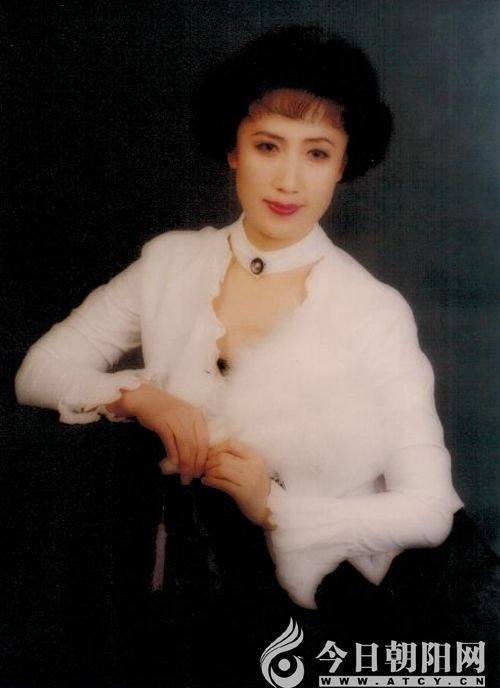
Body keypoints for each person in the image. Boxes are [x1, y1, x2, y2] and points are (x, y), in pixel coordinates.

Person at [16, 25, 487, 688]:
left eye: (317, 153)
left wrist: (274, 507)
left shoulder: (372, 310)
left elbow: (430, 508)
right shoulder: (171, 263)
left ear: (344, 163)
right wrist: (142, 397)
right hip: (185, 584)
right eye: (268, 145)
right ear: (234, 150)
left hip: (330, 604)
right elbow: (38, 370)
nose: (289, 180)